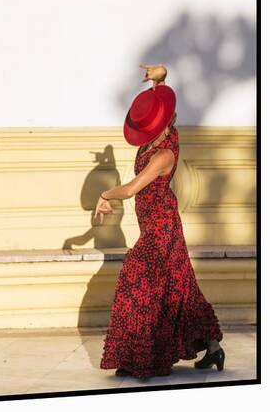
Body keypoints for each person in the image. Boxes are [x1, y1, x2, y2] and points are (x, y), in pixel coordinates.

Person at [96, 63, 225, 380]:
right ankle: (213, 349)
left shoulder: (163, 154)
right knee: (181, 287)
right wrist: (160, 78)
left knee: (137, 280)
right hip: (157, 223)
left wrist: (104, 194)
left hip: (161, 228)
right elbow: (160, 104)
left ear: (165, 124)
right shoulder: (154, 140)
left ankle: (143, 357)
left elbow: (130, 189)